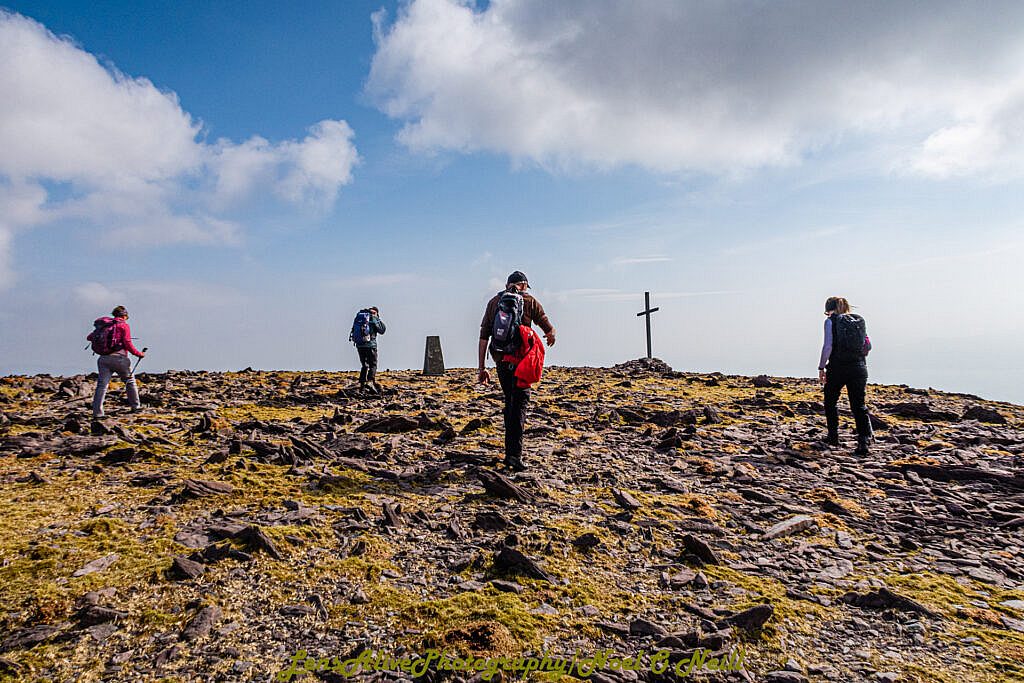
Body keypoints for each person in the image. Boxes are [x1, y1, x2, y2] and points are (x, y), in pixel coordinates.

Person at [477, 271, 556, 471]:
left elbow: (484, 335)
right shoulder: (529, 301)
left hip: (501, 360)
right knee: (519, 405)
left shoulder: (495, 302)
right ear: (524, 285)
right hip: (522, 362)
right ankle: (513, 455)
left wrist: (481, 368)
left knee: (510, 400)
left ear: (507, 285)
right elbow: (548, 327)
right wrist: (550, 335)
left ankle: (510, 449)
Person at [818, 296, 872, 455]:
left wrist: (821, 367)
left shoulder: (830, 321)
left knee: (830, 401)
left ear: (828, 309)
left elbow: (827, 346)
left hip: (837, 367)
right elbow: (868, 346)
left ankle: (833, 437)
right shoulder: (858, 321)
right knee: (858, 405)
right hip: (859, 368)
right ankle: (863, 442)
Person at [88, 305, 145, 419]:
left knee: (102, 385)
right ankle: (135, 406)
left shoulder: (105, 325)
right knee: (130, 381)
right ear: (125, 316)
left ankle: (97, 413)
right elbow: (128, 343)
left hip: (103, 359)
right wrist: (139, 354)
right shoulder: (123, 325)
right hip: (119, 359)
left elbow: (89, 337)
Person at [351, 306, 386, 394]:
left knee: (364, 365)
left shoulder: (360, 318)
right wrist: (377, 318)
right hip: (371, 345)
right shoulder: (374, 318)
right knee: (373, 365)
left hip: (360, 345)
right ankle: (370, 381)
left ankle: (362, 386)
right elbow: (382, 330)